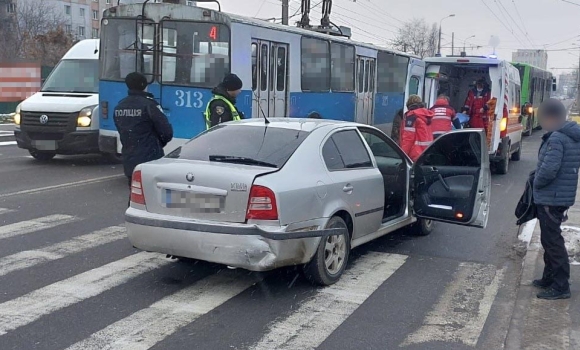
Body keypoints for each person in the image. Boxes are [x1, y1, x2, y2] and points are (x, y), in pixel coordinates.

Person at [533, 98, 580, 300]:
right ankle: (550, 277)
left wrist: (536, 182)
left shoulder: (557, 138)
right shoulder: (570, 135)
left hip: (551, 197)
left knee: (552, 241)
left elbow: (549, 169)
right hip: (559, 195)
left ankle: (560, 285)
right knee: (549, 238)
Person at [113, 72, 173, 190]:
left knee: (135, 193)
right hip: (150, 158)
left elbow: (122, 130)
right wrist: (157, 144)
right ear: (144, 85)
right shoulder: (149, 105)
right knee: (151, 195)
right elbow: (166, 133)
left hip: (129, 158)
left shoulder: (119, 107)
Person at [401, 95, 434, 162]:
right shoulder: (427, 115)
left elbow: (408, 138)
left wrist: (402, 155)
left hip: (415, 155)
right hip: (427, 153)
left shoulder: (412, 116)